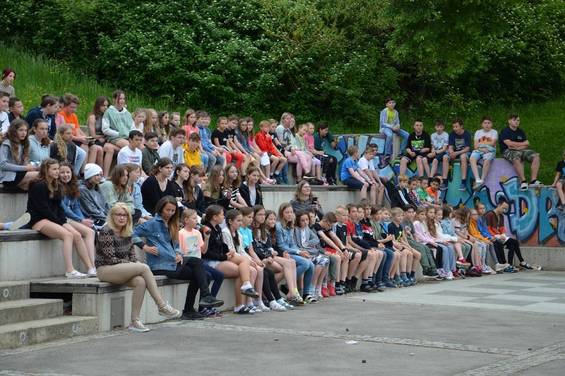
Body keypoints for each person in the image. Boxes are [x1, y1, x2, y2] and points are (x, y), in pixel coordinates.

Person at [134, 197, 223, 320]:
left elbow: (176, 245)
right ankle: (206, 296)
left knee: (205, 276)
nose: (170, 213)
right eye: (167, 210)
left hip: (173, 263)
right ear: (161, 209)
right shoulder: (152, 223)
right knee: (197, 262)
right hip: (160, 265)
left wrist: (178, 254)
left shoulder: (172, 224)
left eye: (172, 210)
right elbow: (131, 233)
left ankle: (189, 310)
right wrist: (144, 247)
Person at [96, 202, 181, 332]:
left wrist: (132, 264)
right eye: (118, 214)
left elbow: (132, 256)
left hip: (121, 269)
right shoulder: (106, 230)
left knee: (140, 282)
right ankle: (161, 305)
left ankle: (135, 321)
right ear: (112, 216)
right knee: (144, 267)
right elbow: (110, 258)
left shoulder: (128, 232)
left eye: (125, 215)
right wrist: (132, 264)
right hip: (105, 269)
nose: (122, 218)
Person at [27, 158, 96, 279]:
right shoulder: (38, 185)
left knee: (77, 235)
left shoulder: (57, 185)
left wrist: (63, 221)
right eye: (54, 169)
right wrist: (60, 223)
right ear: (45, 170)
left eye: (58, 169)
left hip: (53, 219)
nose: (57, 171)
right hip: (39, 219)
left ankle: (91, 268)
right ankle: (70, 270)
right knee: (68, 235)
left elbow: (58, 207)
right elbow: (43, 209)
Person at [200, 205, 260, 314]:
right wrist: (224, 256)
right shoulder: (206, 229)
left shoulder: (217, 228)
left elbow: (222, 246)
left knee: (243, 266)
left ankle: (240, 303)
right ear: (214, 217)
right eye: (222, 215)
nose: (223, 217)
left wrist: (228, 251)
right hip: (210, 261)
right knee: (241, 270)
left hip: (220, 258)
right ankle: (245, 290)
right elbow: (206, 252)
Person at [276, 203, 317, 303]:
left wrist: (301, 251)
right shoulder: (278, 226)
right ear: (282, 214)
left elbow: (292, 244)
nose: (290, 214)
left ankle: (306, 293)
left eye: (291, 212)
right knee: (305, 263)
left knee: (311, 264)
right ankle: (288, 287)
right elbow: (281, 246)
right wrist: (298, 251)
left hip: (291, 252)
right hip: (283, 253)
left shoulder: (290, 225)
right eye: (287, 212)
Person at [58, 161, 96, 265]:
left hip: (71, 218)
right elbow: (64, 209)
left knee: (90, 230)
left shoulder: (72, 186)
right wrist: (80, 220)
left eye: (68, 172)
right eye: (62, 173)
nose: (66, 175)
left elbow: (76, 207)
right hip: (61, 218)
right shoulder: (57, 187)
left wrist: (83, 220)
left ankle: (93, 265)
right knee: (90, 232)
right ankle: (92, 265)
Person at [485, 198, 533, 271]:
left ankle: (510, 265)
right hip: (493, 236)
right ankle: (508, 263)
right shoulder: (490, 214)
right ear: (498, 205)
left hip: (500, 236)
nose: (504, 210)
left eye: (506, 209)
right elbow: (488, 229)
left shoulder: (501, 216)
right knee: (505, 243)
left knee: (513, 244)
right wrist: (498, 235)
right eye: (503, 208)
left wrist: (503, 234)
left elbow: (502, 228)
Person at [55, 93, 103, 166]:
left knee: (97, 148)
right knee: (85, 146)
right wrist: (80, 139)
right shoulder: (61, 115)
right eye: (72, 107)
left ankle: (93, 171)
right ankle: (83, 172)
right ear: (65, 106)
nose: (74, 110)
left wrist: (86, 138)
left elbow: (77, 131)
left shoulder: (73, 116)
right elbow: (65, 134)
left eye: (75, 107)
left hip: (76, 139)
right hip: (69, 139)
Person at [499, 114, 541, 191]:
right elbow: (509, 145)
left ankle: (533, 180)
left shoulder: (520, 131)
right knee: (516, 156)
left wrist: (517, 146)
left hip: (520, 150)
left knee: (536, 156)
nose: (517, 122)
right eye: (514, 120)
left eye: (518, 120)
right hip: (507, 151)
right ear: (509, 121)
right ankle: (523, 181)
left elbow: (527, 143)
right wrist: (520, 145)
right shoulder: (505, 131)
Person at [294, 211, 330, 299]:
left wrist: (307, 243)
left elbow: (316, 239)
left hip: (308, 251)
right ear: (298, 221)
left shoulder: (307, 229)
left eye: (307, 220)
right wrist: (302, 249)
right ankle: (309, 289)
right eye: (302, 220)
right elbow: (295, 244)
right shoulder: (295, 230)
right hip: (301, 253)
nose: (305, 222)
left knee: (325, 260)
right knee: (316, 262)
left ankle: (315, 287)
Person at [0, 119, 39, 190]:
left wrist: (31, 166)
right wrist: (25, 168)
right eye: (21, 130)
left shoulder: (23, 144)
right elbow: (2, 165)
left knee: (38, 183)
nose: (24, 133)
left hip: (19, 174)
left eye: (25, 130)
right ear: (14, 131)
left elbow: (23, 165)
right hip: (8, 177)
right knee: (41, 175)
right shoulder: (6, 143)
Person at [470, 116, 498, 189]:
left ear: (491, 124)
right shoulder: (478, 132)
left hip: (490, 150)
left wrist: (481, 145)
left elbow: (493, 143)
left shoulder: (494, 132)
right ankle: (477, 179)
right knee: (472, 158)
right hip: (480, 150)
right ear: (482, 124)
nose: (487, 125)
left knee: (487, 160)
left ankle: (482, 179)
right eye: (485, 123)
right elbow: (475, 146)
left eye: (489, 123)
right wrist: (482, 148)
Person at [79, 163, 108, 227]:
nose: (100, 177)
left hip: (102, 218)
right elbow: (91, 210)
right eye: (97, 175)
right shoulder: (82, 190)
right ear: (89, 175)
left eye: (101, 175)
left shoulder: (96, 187)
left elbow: (105, 205)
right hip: (91, 220)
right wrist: (108, 219)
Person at [448, 119, 472, 191]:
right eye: (453, 127)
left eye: (456, 126)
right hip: (455, 152)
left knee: (463, 156)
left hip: (465, 152)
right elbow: (450, 146)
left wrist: (456, 153)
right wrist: (451, 152)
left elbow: (467, 148)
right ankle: (445, 181)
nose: (454, 128)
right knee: (445, 157)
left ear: (461, 126)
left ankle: (463, 182)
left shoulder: (467, 134)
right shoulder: (452, 134)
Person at [429, 120, 450, 190]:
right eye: (438, 127)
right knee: (427, 159)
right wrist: (433, 152)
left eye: (441, 127)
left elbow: (444, 149)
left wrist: (435, 153)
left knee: (435, 160)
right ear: (435, 127)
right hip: (436, 152)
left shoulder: (446, 135)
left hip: (443, 152)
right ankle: (431, 179)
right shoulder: (433, 135)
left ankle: (431, 179)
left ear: (443, 127)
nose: (439, 128)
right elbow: (432, 147)